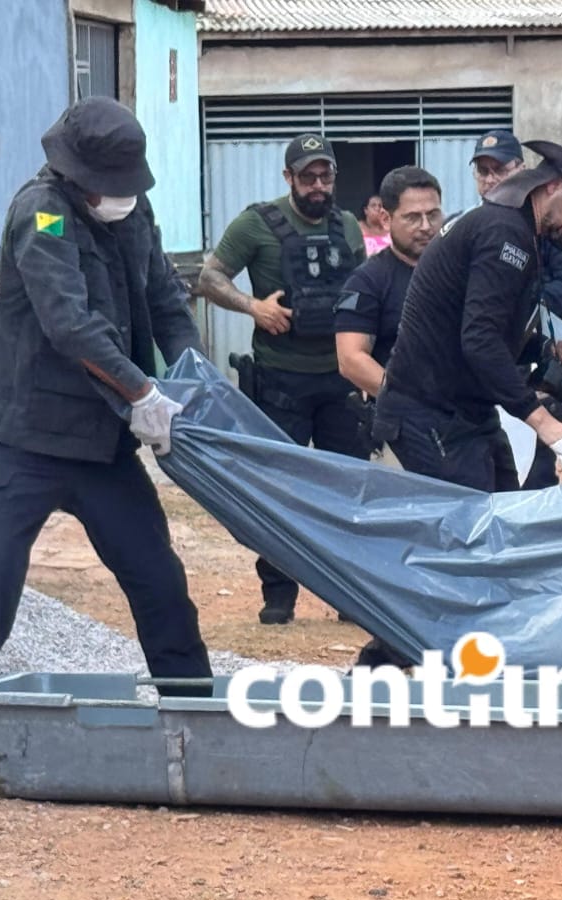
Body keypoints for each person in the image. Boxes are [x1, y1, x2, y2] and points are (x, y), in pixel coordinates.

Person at [0, 97, 213, 797]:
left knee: (159, 582)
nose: (125, 196)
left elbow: (166, 296)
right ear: (77, 176)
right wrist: (142, 393)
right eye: (113, 183)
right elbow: (67, 321)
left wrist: (191, 372)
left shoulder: (130, 209)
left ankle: (200, 727)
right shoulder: (41, 213)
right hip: (23, 439)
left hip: (103, 446)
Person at [373, 135, 562, 493]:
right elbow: (480, 340)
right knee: (469, 530)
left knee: (508, 512)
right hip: (429, 413)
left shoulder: (522, 232)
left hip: (471, 411)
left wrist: (543, 354)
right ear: (554, 186)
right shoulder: (503, 233)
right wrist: (545, 424)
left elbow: (497, 326)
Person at [197, 134, 369, 625]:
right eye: (308, 176)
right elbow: (210, 279)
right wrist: (253, 306)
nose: (318, 185)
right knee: (278, 493)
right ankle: (278, 593)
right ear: (288, 178)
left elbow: (363, 291)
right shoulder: (257, 223)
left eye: (326, 175)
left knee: (348, 490)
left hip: (339, 381)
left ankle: (351, 594)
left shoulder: (349, 226)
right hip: (280, 383)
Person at [468, 129, 562, 492]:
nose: (491, 179)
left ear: (521, 170)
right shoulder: (468, 226)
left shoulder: (543, 227)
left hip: (527, 371)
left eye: (500, 169)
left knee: (536, 485)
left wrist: (527, 307)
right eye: (483, 171)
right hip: (475, 387)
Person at [334, 166, 443, 400]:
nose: (426, 226)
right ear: (385, 219)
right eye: (413, 217)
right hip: (406, 423)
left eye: (433, 214)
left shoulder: (459, 270)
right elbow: (350, 359)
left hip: (470, 417)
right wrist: (409, 403)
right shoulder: (368, 281)